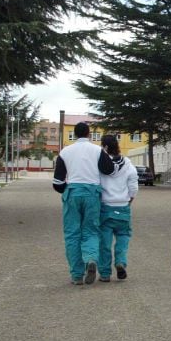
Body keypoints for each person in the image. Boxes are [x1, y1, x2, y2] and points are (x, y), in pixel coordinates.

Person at [53, 122, 114, 285]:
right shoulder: (97, 150)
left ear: (75, 133)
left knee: (72, 234)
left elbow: (57, 182)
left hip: (72, 193)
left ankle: (77, 275)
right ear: (88, 134)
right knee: (91, 231)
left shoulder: (65, 152)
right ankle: (91, 258)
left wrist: (68, 190)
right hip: (92, 194)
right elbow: (109, 170)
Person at [98, 135, 138, 281]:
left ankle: (104, 273)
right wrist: (129, 201)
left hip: (105, 207)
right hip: (123, 207)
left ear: (104, 147)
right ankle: (120, 262)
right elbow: (133, 188)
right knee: (123, 237)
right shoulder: (128, 165)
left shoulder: (102, 166)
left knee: (104, 243)